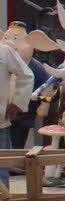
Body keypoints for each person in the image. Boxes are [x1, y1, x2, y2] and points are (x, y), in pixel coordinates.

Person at [0, 36, 34, 188]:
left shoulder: (4, 52)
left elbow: (26, 76)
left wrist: (17, 104)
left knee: (1, 170)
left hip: (0, 124)